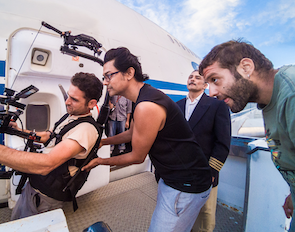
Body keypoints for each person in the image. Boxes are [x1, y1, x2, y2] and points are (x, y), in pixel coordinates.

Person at [82, 47, 212, 232]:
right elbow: (131, 133)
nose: (105, 83)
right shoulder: (143, 97)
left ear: (129, 73)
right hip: (170, 178)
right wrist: (102, 142)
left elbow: (137, 156)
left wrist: (100, 162)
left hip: (186, 185)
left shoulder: (146, 106)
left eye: (109, 76)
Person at [0, 72, 103, 219]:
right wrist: (19, 131)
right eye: (68, 96)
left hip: (45, 197)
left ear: (91, 104)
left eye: (74, 99)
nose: (67, 102)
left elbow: (47, 164)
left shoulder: (86, 130)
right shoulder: (71, 116)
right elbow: (50, 136)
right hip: (36, 187)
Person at [198, 40, 295, 231]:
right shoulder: (268, 101)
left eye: (215, 80)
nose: (211, 93)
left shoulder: (291, 95)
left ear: (246, 67)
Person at [176, 70, 231, 232]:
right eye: (190, 77)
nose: (192, 79)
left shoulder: (217, 106)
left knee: (204, 216)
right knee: (181, 213)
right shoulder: (177, 106)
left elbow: (223, 142)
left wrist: (211, 170)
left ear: (205, 85)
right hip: (180, 172)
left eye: (197, 77)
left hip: (205, 171)